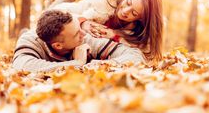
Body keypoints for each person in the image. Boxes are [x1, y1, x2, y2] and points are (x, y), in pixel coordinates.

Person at [50, 0, 164, 63]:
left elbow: (141, 53)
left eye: (134, 13)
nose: (125, 11)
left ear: (141, 19)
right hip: (66, 9)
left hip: (95, 54)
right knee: (51, 8)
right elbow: (59, 13)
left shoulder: (137, 32)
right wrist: (82, 21)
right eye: (128, 3)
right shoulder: (102, 2)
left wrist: (115, 35)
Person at [12, 10, 144, 73]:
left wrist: (96, 65)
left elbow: (135, 55)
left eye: (79, 28)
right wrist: (77, 63)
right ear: (58, 45)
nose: (84, 33)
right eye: (76, 34)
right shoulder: (29, 42)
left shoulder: (85, 38)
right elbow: (22, 67)